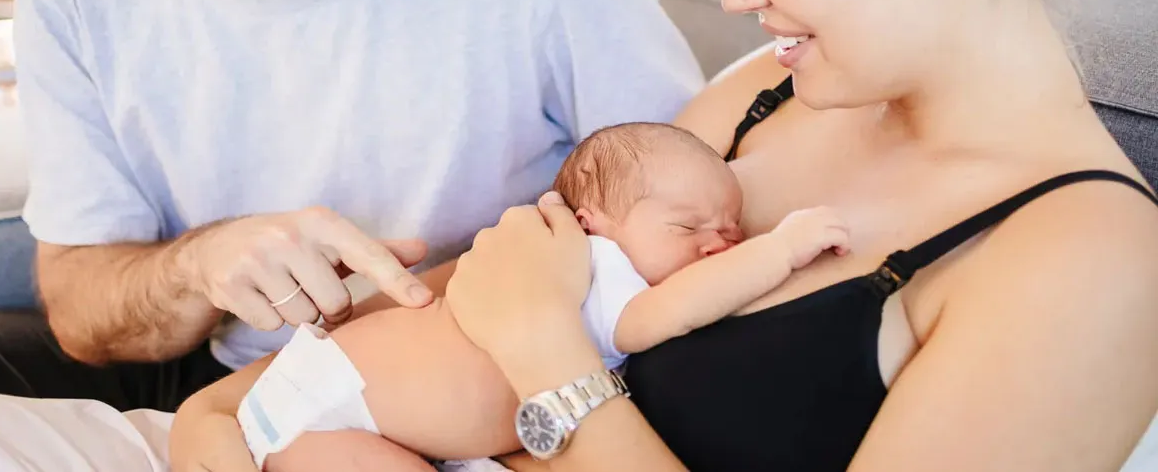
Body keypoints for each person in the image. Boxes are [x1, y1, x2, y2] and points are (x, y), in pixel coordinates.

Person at [172, 0, 1158, 470]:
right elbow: (479, 299)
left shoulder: (1089, 264)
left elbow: (532, 313)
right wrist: (223, 423)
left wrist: (547, 356)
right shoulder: (761, 97)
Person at [0, 0, 705, 413]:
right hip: (223, 375)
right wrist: (200, 266)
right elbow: (82, 309)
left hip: (453, 390)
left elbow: (710, 221)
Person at [194, 122, 849, 471]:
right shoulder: (597, 266)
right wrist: (777, 248)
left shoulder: (557, 256)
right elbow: (675, 310)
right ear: (594, 220)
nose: (717, 243)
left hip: (330, 402)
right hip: (325, 414)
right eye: (689, 227)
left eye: (731, 228)